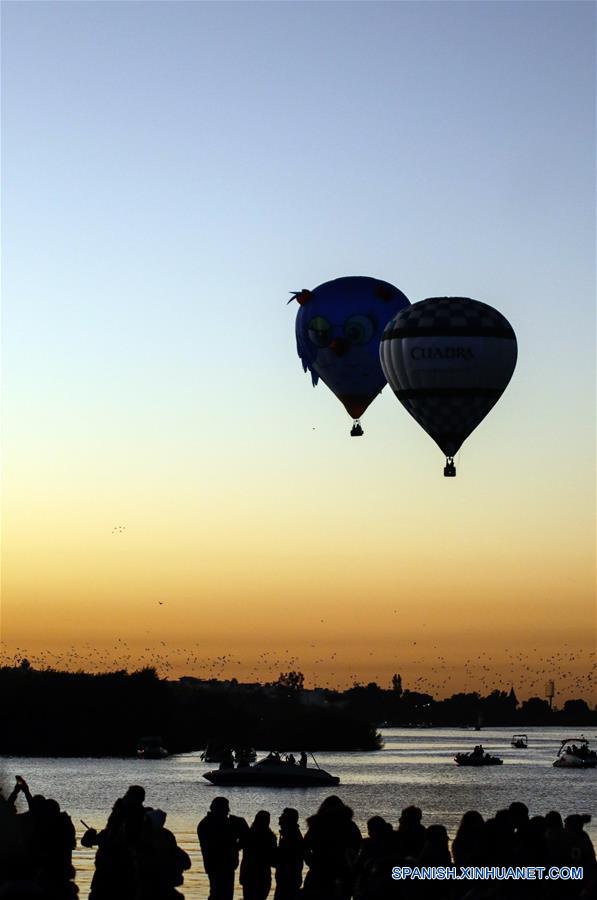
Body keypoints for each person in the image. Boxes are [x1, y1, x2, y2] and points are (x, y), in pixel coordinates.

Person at [302, 795, 361, 899]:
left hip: (319, 871)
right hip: (342, 870)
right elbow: (357, 846)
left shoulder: (317, 825)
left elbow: (305, 846)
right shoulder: (349, 825)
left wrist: (311, 861)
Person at [198, 796, 248, 900]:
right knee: (220, 894)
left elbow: (242, 839)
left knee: (220, 893)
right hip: (219, 865)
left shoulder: (206, 823)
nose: (227, 812)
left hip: (220, 865)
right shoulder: (209, 825)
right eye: (225, 809)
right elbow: (225, 842)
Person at [239, 810, 277, 900]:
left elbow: (238, 847)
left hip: (248, 874)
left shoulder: (248, 835)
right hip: (263, 876)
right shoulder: (270, 837)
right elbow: (273, 860)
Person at [274, 808, 303, 900]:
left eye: (282, 816)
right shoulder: (289, 834)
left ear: (288, 820)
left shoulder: (291, 837)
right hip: (287, 880)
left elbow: (283, 859)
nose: (280, 818)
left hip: (287, 881)